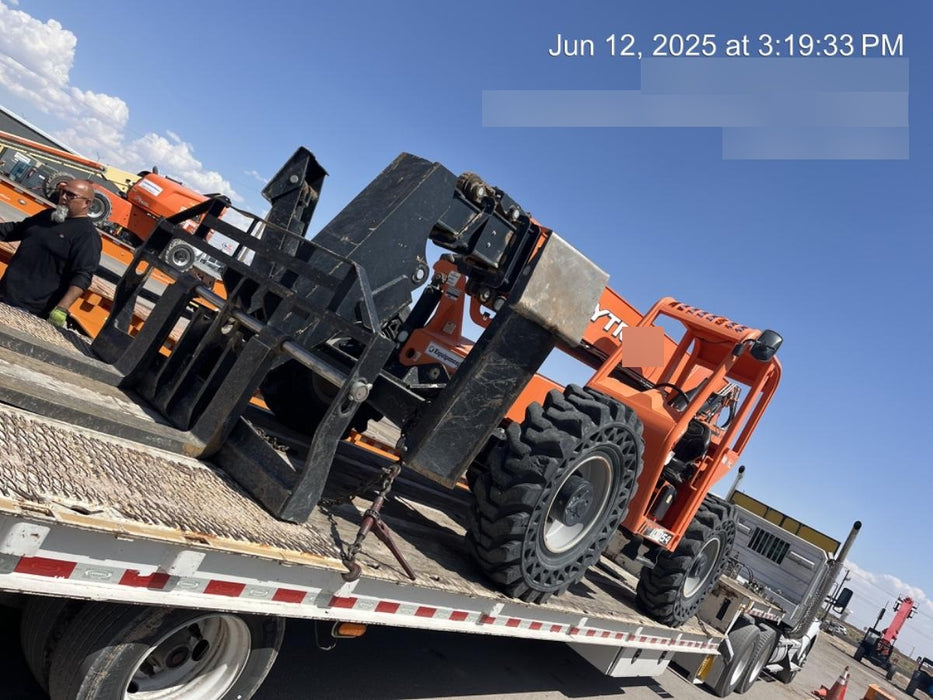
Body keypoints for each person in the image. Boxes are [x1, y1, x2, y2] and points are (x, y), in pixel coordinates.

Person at [0, 178, 102, 328]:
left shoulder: (87, 236)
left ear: (87, 203)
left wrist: (62, 308)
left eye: (71, 195)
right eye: (63, 192)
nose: (63, 197)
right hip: (4, 293)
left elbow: (82, 276)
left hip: (30, 310)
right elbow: (15, 230)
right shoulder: (47, 216)